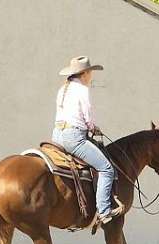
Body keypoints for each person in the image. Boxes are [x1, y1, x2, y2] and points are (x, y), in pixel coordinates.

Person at [51, 56, 121, 224]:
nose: (91, 76)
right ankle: (104, 211)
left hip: (56, 137)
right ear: (84, 73)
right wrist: (92, 127)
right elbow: (87, 114)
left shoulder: (63, 89)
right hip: (73, 137)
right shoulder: (82, 90)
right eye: (90, 72)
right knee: (106, 169)